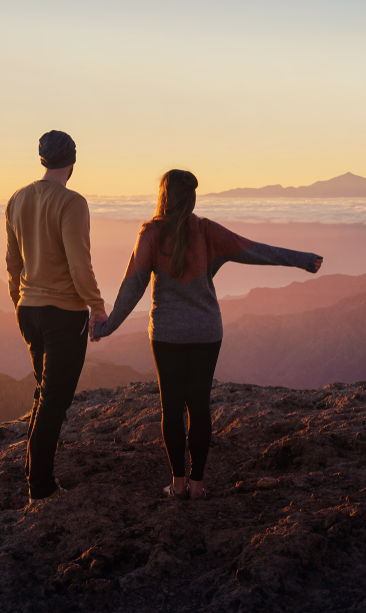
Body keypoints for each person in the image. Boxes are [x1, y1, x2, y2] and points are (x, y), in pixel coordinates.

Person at [91, 169, 322, 500]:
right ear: (193, 198)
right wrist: (302, 260)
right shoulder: (207, 231)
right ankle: (198, 486)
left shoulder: (151, 235)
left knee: (171, 408)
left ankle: (178, 484)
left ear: (164, 197)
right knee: (198, 406)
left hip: (167, 335)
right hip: (207, 332)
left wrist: (104, 327)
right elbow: (254, 250)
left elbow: (131, 290)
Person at [6, 130, 107, 502]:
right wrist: (96, 307)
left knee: (43, 393)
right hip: (63, 313)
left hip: (28, 309)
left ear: (42, 159)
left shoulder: (17, 199)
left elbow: (12, 261)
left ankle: (36, 474)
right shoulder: (72, 203)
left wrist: (18, 300)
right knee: (54, 400)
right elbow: (80, 263)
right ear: (73, 161)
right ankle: (41, 487)